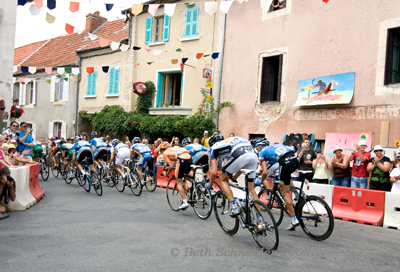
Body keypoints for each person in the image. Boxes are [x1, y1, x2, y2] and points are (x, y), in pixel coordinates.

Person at [208, 134, 259, 218]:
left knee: (222, 179)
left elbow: (214, 172)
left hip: (240, 152)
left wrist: (210, 184)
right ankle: (260, 220)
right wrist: (235, 177)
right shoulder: (227, 143)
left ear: (212, 143)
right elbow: (241, 165)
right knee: (251, 189)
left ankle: (234, 206)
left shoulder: (214, 148)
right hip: (252, 153)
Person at [258, 140, 300, 230]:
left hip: (285, 163)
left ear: (260, 147)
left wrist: (262, 180)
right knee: (286, 180)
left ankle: (294, 219)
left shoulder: (261, 153)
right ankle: (297, 193)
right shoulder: (274, 147)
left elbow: (265, 172)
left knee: (285, 192)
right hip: (295, 160)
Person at [163, 145, 192, 210]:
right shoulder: (175, 148)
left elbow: (170, 166)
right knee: (184, 174)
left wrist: (167, 173)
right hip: (189, 158)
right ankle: (197, 185)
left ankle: (184, 202)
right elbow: (174, 161)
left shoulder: (164, 153)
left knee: (178, 181)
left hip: (181, 160)